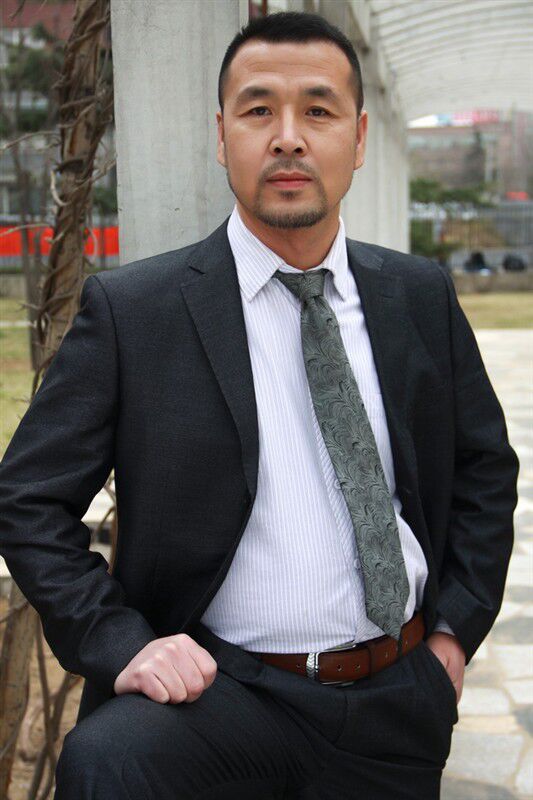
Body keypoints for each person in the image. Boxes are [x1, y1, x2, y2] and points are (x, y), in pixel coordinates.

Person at [0, 10, 519, 800]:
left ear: (359, 137)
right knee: (107, 761)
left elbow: (484, 470)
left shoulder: (417, 296)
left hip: (396, 701)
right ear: (221, 136)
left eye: (317, 110)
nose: (287, 138)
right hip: (219, 697)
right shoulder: (136, 312)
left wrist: (451, 638)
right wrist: (117, 639)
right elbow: (26, 497)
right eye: (257, 110)